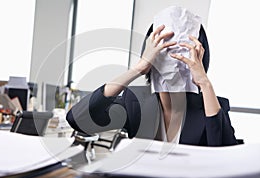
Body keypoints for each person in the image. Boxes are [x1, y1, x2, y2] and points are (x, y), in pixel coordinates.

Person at [66, 7, 238, 146]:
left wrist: (205, 84)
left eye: (182, 51)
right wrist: (137, 69)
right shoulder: (134, 102)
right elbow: (78, 119)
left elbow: (225, 153)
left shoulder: (214, 106)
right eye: (164, 49)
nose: (174, 59)